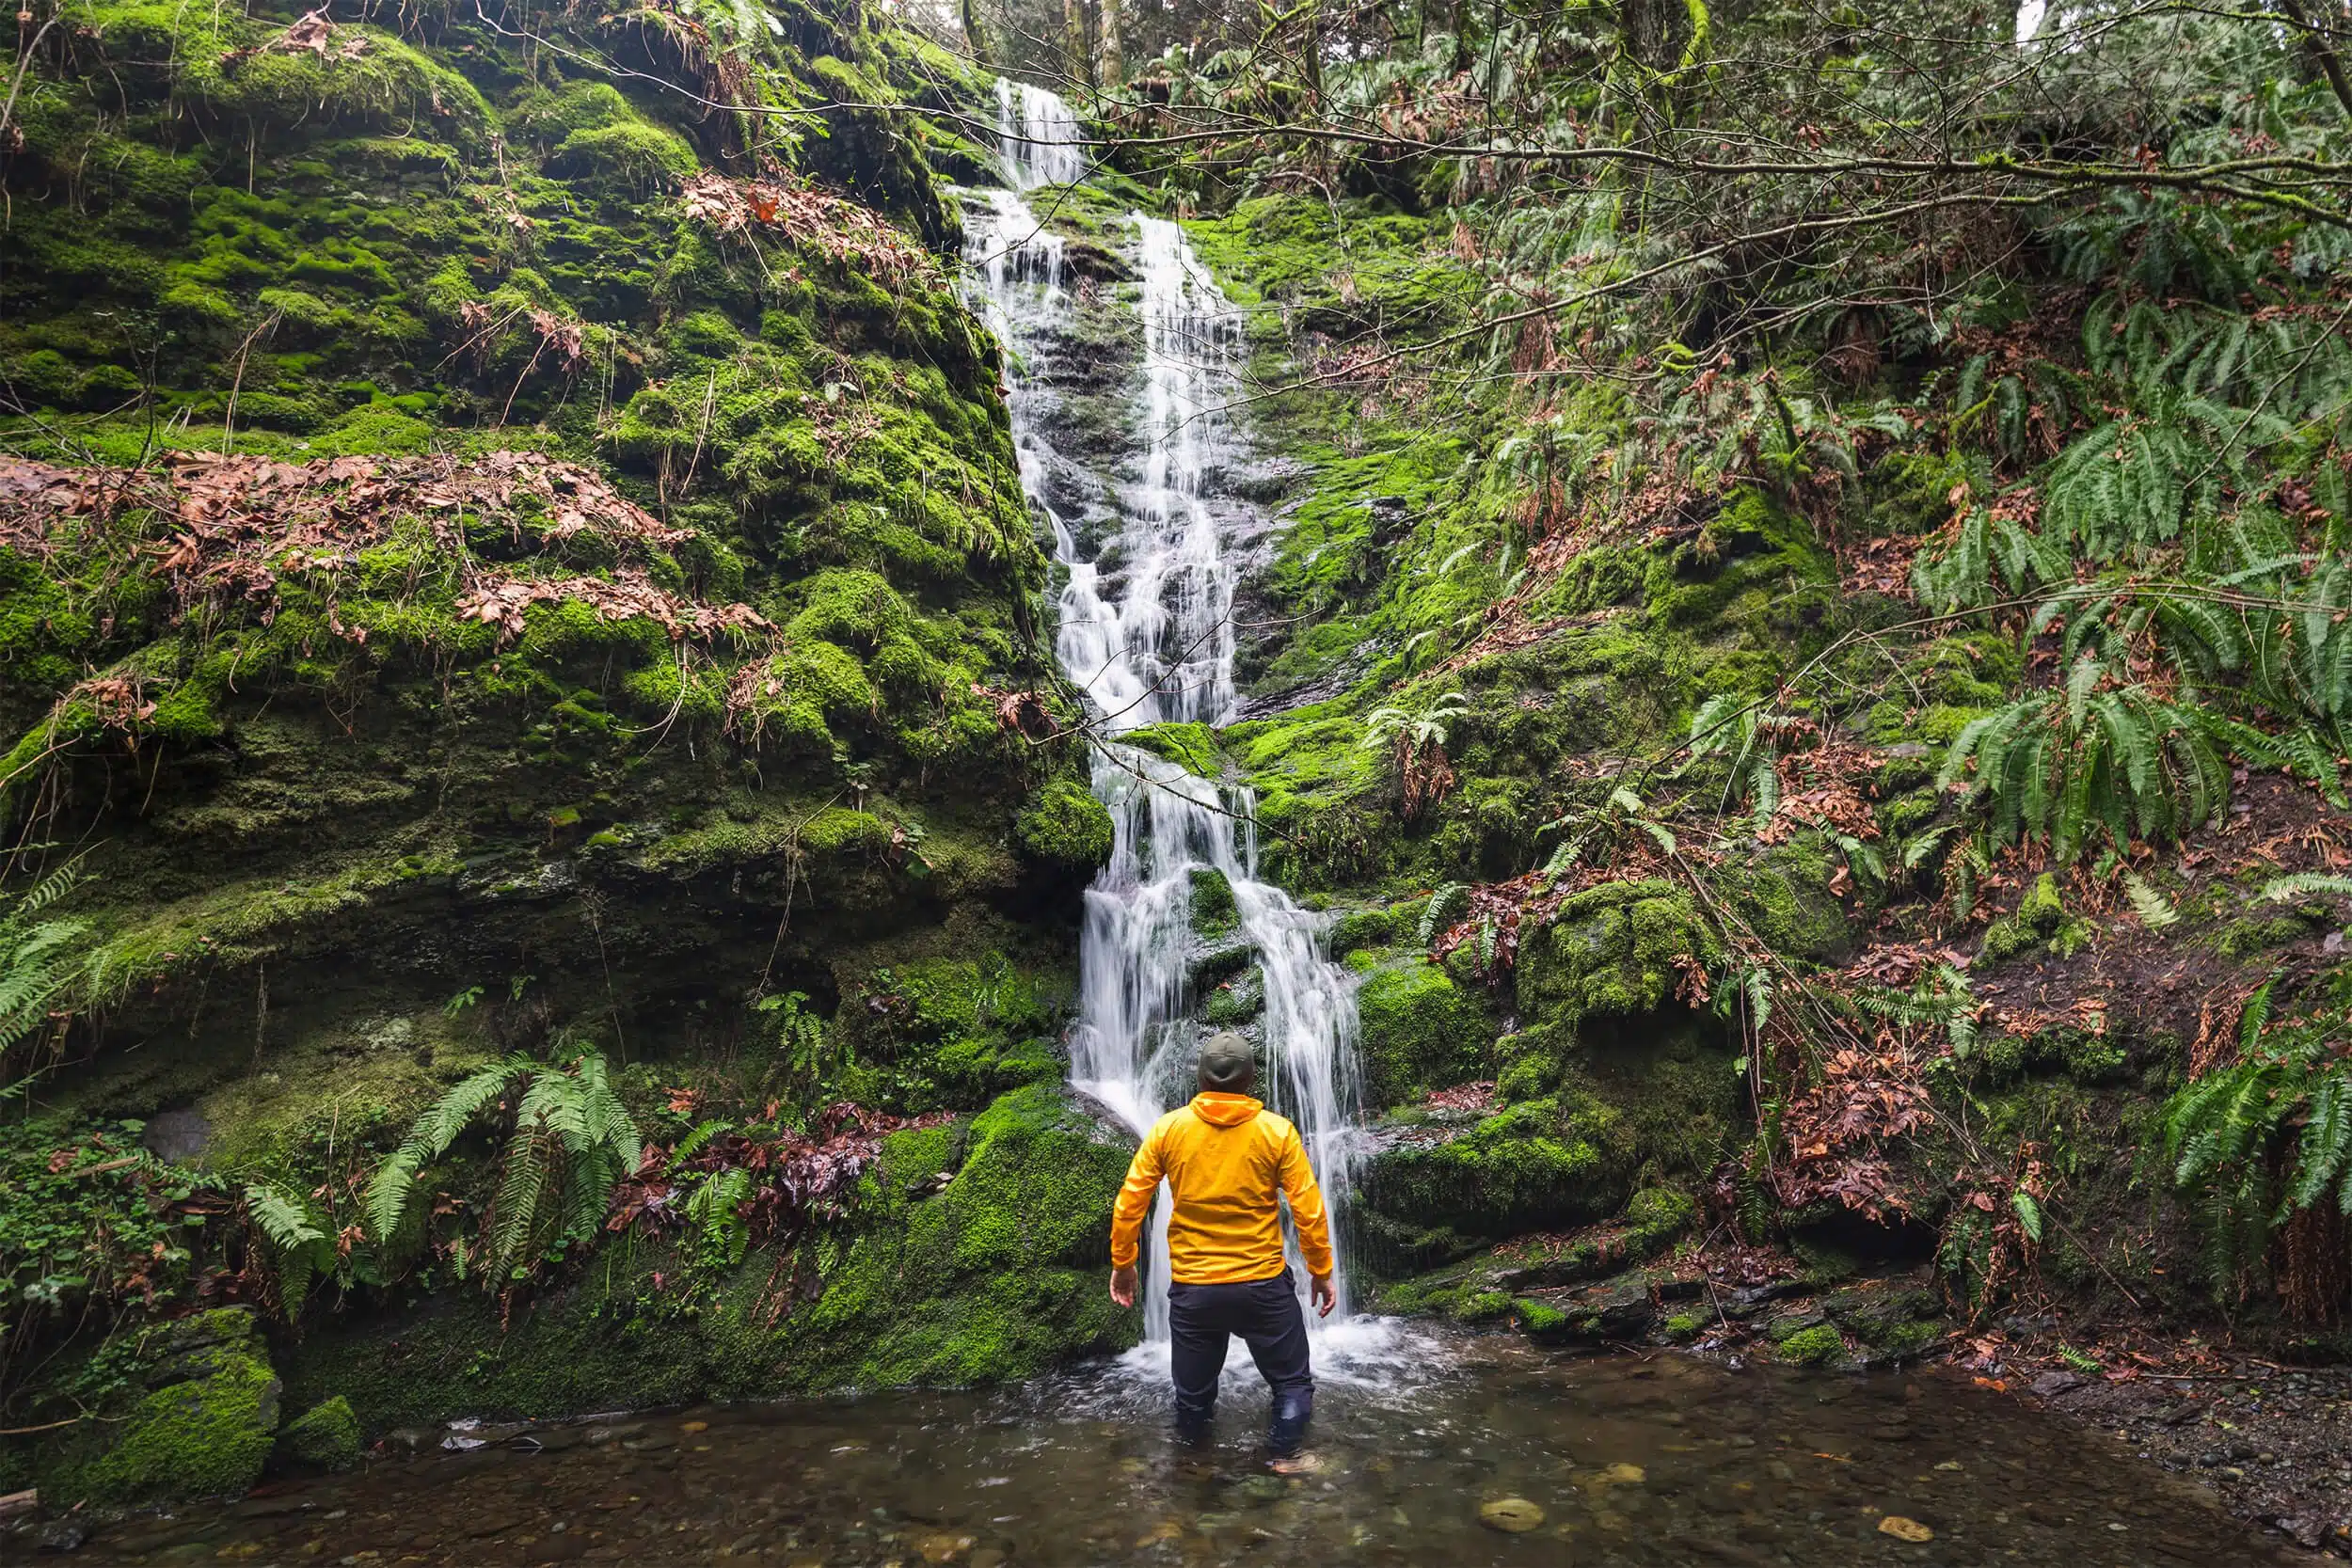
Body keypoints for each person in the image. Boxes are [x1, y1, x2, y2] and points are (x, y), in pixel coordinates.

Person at [1107, 1032, 1336, 1456]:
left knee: (1193, 1400)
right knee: (1291, 1385)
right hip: (1262, 1286)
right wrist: (1321, 1273)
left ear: (1200, 1078)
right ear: (1250, 1081)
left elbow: (1130, 1204)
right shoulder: (1277, 1132)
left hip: (1195, 1291)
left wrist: (1124, 1264)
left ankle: (1195, 1472)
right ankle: (1285, 1460)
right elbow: (1309, 1211)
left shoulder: (1169, 1130)